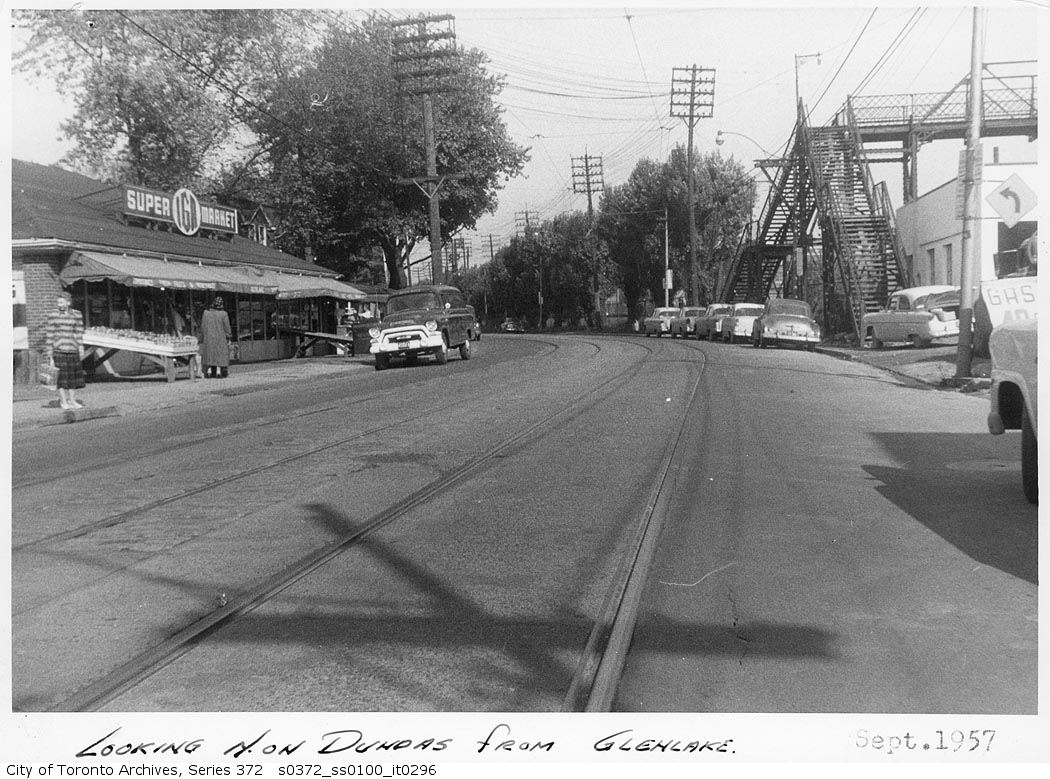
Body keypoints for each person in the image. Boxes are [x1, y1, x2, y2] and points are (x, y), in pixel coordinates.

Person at [44, 291, 85, 410]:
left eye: (61, 302)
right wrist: (49, 352)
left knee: (72, 378)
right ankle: (63, 401)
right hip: (59, 350)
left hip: (72, 349)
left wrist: (81, 347)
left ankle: (72, 400)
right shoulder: (53, 315)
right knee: (61, 378)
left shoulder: (77, 314)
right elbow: (50, 334)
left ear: (68, 302)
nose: (59, 304)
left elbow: (78, 332)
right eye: (58, 302)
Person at [199, 295, 232, 378]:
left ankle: (210, 371)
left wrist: (202, 337)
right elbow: (227, 327)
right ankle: (222, 371)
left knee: (210, 355)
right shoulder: (224, 314)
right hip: (220, 338)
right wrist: (228, 335)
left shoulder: (206, 314)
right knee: (221, 355)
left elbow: (203, 327)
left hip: (209, 338)